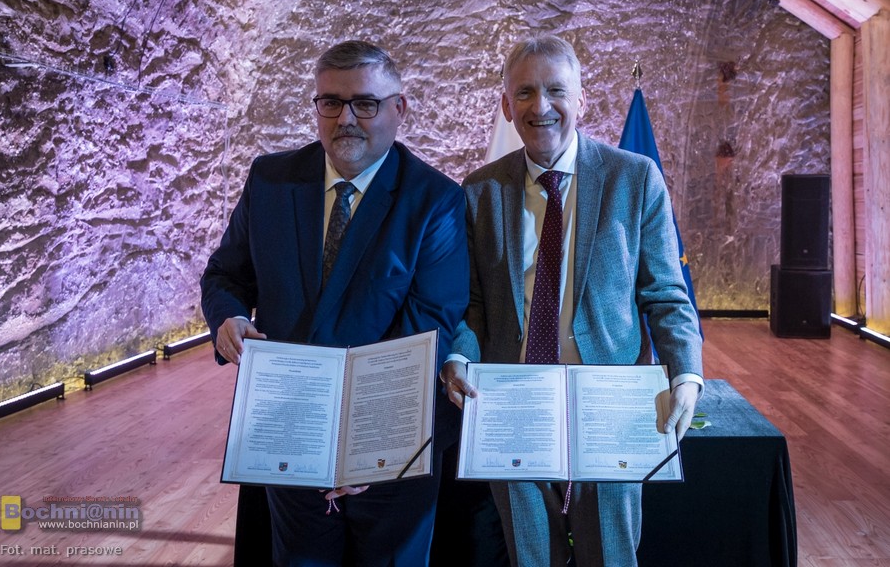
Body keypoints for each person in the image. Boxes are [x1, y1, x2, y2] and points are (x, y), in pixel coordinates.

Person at [200, 40, 469, 567]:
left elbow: (430, 326)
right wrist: (228, 315)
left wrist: (364, 448)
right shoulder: (270, 181)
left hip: (391, 444)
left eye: (364, 103)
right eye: (331, 102)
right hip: (291, 430)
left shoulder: (435, 200)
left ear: (399, 108)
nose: (346, 118)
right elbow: (225, 274)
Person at [441, 35, 704, 566]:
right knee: (530, 556)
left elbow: (665, 295)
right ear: (506, 105)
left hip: (609, 402)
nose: (541, 106)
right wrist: (458, 357)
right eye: (525, 92)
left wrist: (686, 374)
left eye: (556, 90)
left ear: (581, 99)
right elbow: (471, 304)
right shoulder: (479, 190)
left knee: (610, 554)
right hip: (512, 401)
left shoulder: (635, 178)